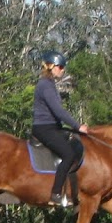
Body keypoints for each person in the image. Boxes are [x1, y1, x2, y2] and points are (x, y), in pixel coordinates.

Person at [31, 50, 88, 207]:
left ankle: (73, 191)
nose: (63, 70)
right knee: (68, 154)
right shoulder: (45, 85)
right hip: (44, 128)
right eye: (60, 66)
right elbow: (58, 111)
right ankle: (55, 194)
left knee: (75, 144)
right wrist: (77, 126)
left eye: (63, 67)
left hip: (53, 127)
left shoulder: (50, 85)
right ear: (50, 67)